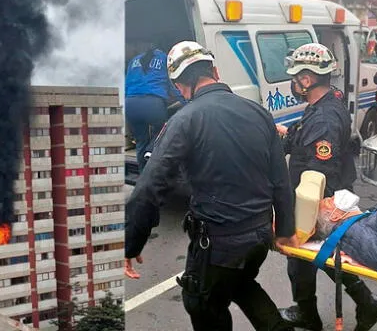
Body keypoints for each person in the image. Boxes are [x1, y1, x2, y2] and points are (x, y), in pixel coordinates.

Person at [124, 40, 299, 331]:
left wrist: (132, 242)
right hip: (258, 238)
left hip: (218, 245)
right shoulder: (258, 113)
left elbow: (149, 186)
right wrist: (285, 230)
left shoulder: (185, 119)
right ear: (215, 71)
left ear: (179, 85)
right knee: (240, 283)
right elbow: (281, 178)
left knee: (202, 302)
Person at [276, 43, 377, 331]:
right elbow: (305, 138)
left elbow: (318, 173)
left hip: (318, 199)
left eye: (296, 76)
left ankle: (321, 311)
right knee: (320, 255)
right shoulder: (323, 106)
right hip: (321, 195)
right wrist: (288, 134)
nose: (293, 82)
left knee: (301, 255)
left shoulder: (324, 118)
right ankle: (365, 301)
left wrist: (301, 215)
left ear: (307, 79)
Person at [125, 42, 185, 172]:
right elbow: (171, 86)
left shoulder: (134, 61)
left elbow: (126, 85)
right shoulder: (165, 59)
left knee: (140, 141)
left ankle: (142, 176)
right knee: (162, 134)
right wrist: (186, 102)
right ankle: (151, 152)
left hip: (131, 104)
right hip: (153, 104)